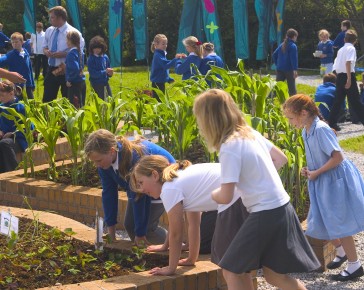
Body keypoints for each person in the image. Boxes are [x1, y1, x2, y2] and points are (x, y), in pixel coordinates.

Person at [193, 89, 320, 290]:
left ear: (208, 119)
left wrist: (210, 193)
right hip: (282, 207)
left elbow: (225, 196)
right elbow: (281, 159)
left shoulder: (229, 147)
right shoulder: (249, 133)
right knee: (274, 276)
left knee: (232, 269)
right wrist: (255, 180)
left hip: (266, 212)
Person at [283, 94, 364, 282]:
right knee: (321, 219)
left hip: (335, 180)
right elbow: (318, 157)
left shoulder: (320, 129)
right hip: (322, 179)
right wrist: (309, 169)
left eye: (291, 118)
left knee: (340, 223)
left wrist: (317, 172)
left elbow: (338, 157)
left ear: (303, 113)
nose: (289, 122)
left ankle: (355, 265)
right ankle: (342, 251)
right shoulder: (306, 130)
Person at [129, 156, 246, 276]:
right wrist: (191, 258)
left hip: (236, 196)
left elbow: (176, 234)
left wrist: (171, 268)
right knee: (230, 257)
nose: (141, 189)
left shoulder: (169, 188)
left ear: (154, 175)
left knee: (226, 258)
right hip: (243, 190)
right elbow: (194, 224)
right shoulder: (180, 180)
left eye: (141, 182)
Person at [84, 129, 175, 245]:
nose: (97, 165)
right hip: (143, 188)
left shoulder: (134, 158)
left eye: (98, 160)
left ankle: (174, 246)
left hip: (161, 183)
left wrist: (140, 234)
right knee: (130, 225)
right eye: (94, 162)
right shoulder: (104, 165)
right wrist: (111, 233)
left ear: (112, 151)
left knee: (146, 229)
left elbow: (140, 197)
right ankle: (151, 252)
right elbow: (109, 195)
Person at [42, 6, 84, 103]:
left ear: (60, 17)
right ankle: (48, 118)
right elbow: (44, 46)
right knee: (47, 99)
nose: (50, 20)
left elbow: (79, 52)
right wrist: (46, 51)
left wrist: (64, 54)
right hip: (52, 69)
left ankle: (67, 118)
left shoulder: (73, 33)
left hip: (66, 70)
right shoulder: (49, 30)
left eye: (52, 17)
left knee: (68, 99)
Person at [328, 30, 364, 131]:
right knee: (355, 101)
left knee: (338, 101)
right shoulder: (351, 49)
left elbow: (336, 65)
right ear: (355, 41)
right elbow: (348, 63)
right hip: (348, 75)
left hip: (340, 76)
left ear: (344, 39)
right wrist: (349, 79)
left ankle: (331, 122)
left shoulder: (341, 49)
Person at [0, 80, 30, 173]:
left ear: (11, 93)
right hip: (4, 137)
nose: (0, 98)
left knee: (5, 144)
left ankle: (13, 173)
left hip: (19, 139)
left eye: (2, 95)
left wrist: (13, 133)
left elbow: (28, 127)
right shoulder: (1, 107)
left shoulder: (21, 107)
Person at [0, 32, 35, 99]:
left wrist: (32, 84)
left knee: (31, 104)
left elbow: (30, 70)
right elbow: (1, 61)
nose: (14, 44)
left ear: (22, 42)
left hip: (28, 84)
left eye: (16, 42)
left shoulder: (26, 53)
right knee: (17, 103)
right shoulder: (10, 55)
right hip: (16, 86)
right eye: (13, 42)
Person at [150, 34, 179, 101]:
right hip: (157, 83)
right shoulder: (158, 55)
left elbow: (162, 69)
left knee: (161, 99)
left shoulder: (161, 54)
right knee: (158, 100)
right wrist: (175, 59)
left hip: (160, 82)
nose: (165, 46)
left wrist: (168, 78)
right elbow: (165, 65)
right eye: (163, 44)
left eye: (166, 44)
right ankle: (157, 111)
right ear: (156, 45)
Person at [272, 28, 299, 96]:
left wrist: (277, 64)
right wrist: (295, 69)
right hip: (289, 69)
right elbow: (293, 59)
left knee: (277, 87)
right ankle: (294, 103)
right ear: (294, 36)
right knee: (292, 89)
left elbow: (274, 55)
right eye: (296, 37)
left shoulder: (282, 44)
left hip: (280, 68)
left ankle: (269, 99)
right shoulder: (293, 46)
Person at [87, 36, 113, 100]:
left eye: (98, 48)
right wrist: (105, 72)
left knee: (110, 99)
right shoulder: (91, 59)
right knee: (100, 100)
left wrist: (110, 73)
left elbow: (108, 68)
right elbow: (93, 74)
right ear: (92, 49)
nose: (96, 50)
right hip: (96, 84)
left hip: (105, 83)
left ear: (102, 48)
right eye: (95, 48)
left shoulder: (105, 57)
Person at [65, 30, 85, 108]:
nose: (66, 42)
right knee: (81, 105)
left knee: (75, 107)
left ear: (70, 41)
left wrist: (69, 79)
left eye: (66, 39)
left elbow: (74, 68)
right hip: (82, 82)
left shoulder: (71, 54)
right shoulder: (80, 52)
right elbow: (81, 67)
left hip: (74, 84)